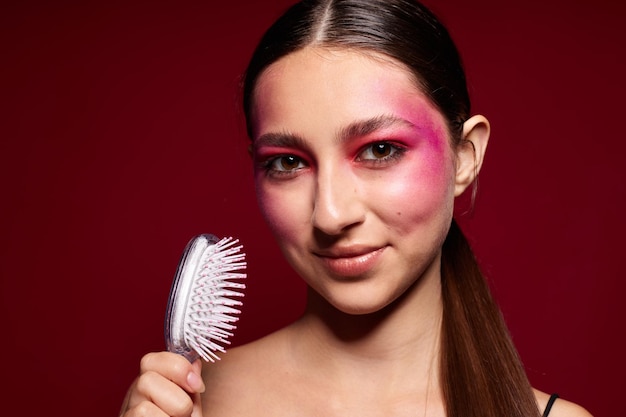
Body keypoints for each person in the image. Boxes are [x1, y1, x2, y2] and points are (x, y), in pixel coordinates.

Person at [120, 1, 593, 416]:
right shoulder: (185, 403)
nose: (329, 215)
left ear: (465, 157)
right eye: (288, 162)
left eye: (380, 150)